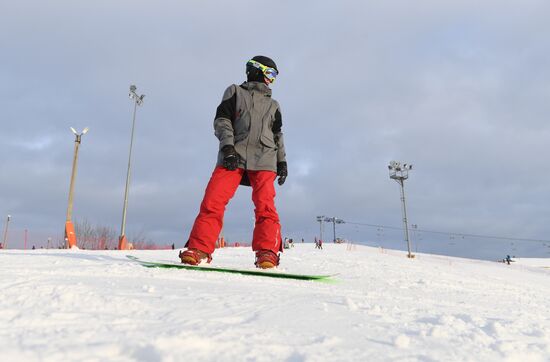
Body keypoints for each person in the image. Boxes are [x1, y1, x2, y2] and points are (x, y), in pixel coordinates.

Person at [179, 56, 287, 269]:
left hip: (265, 158)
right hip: (233, 154)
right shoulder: (235, 92)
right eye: (270, 74)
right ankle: (199, 248)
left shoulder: (273, 105)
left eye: (274, 77)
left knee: (266, 205)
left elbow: (277, 135)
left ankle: (267, 251)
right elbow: (222, 120)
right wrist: (228, 146)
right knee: (213, 200)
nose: (271, 81)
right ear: (256, 70)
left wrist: (281, 161)